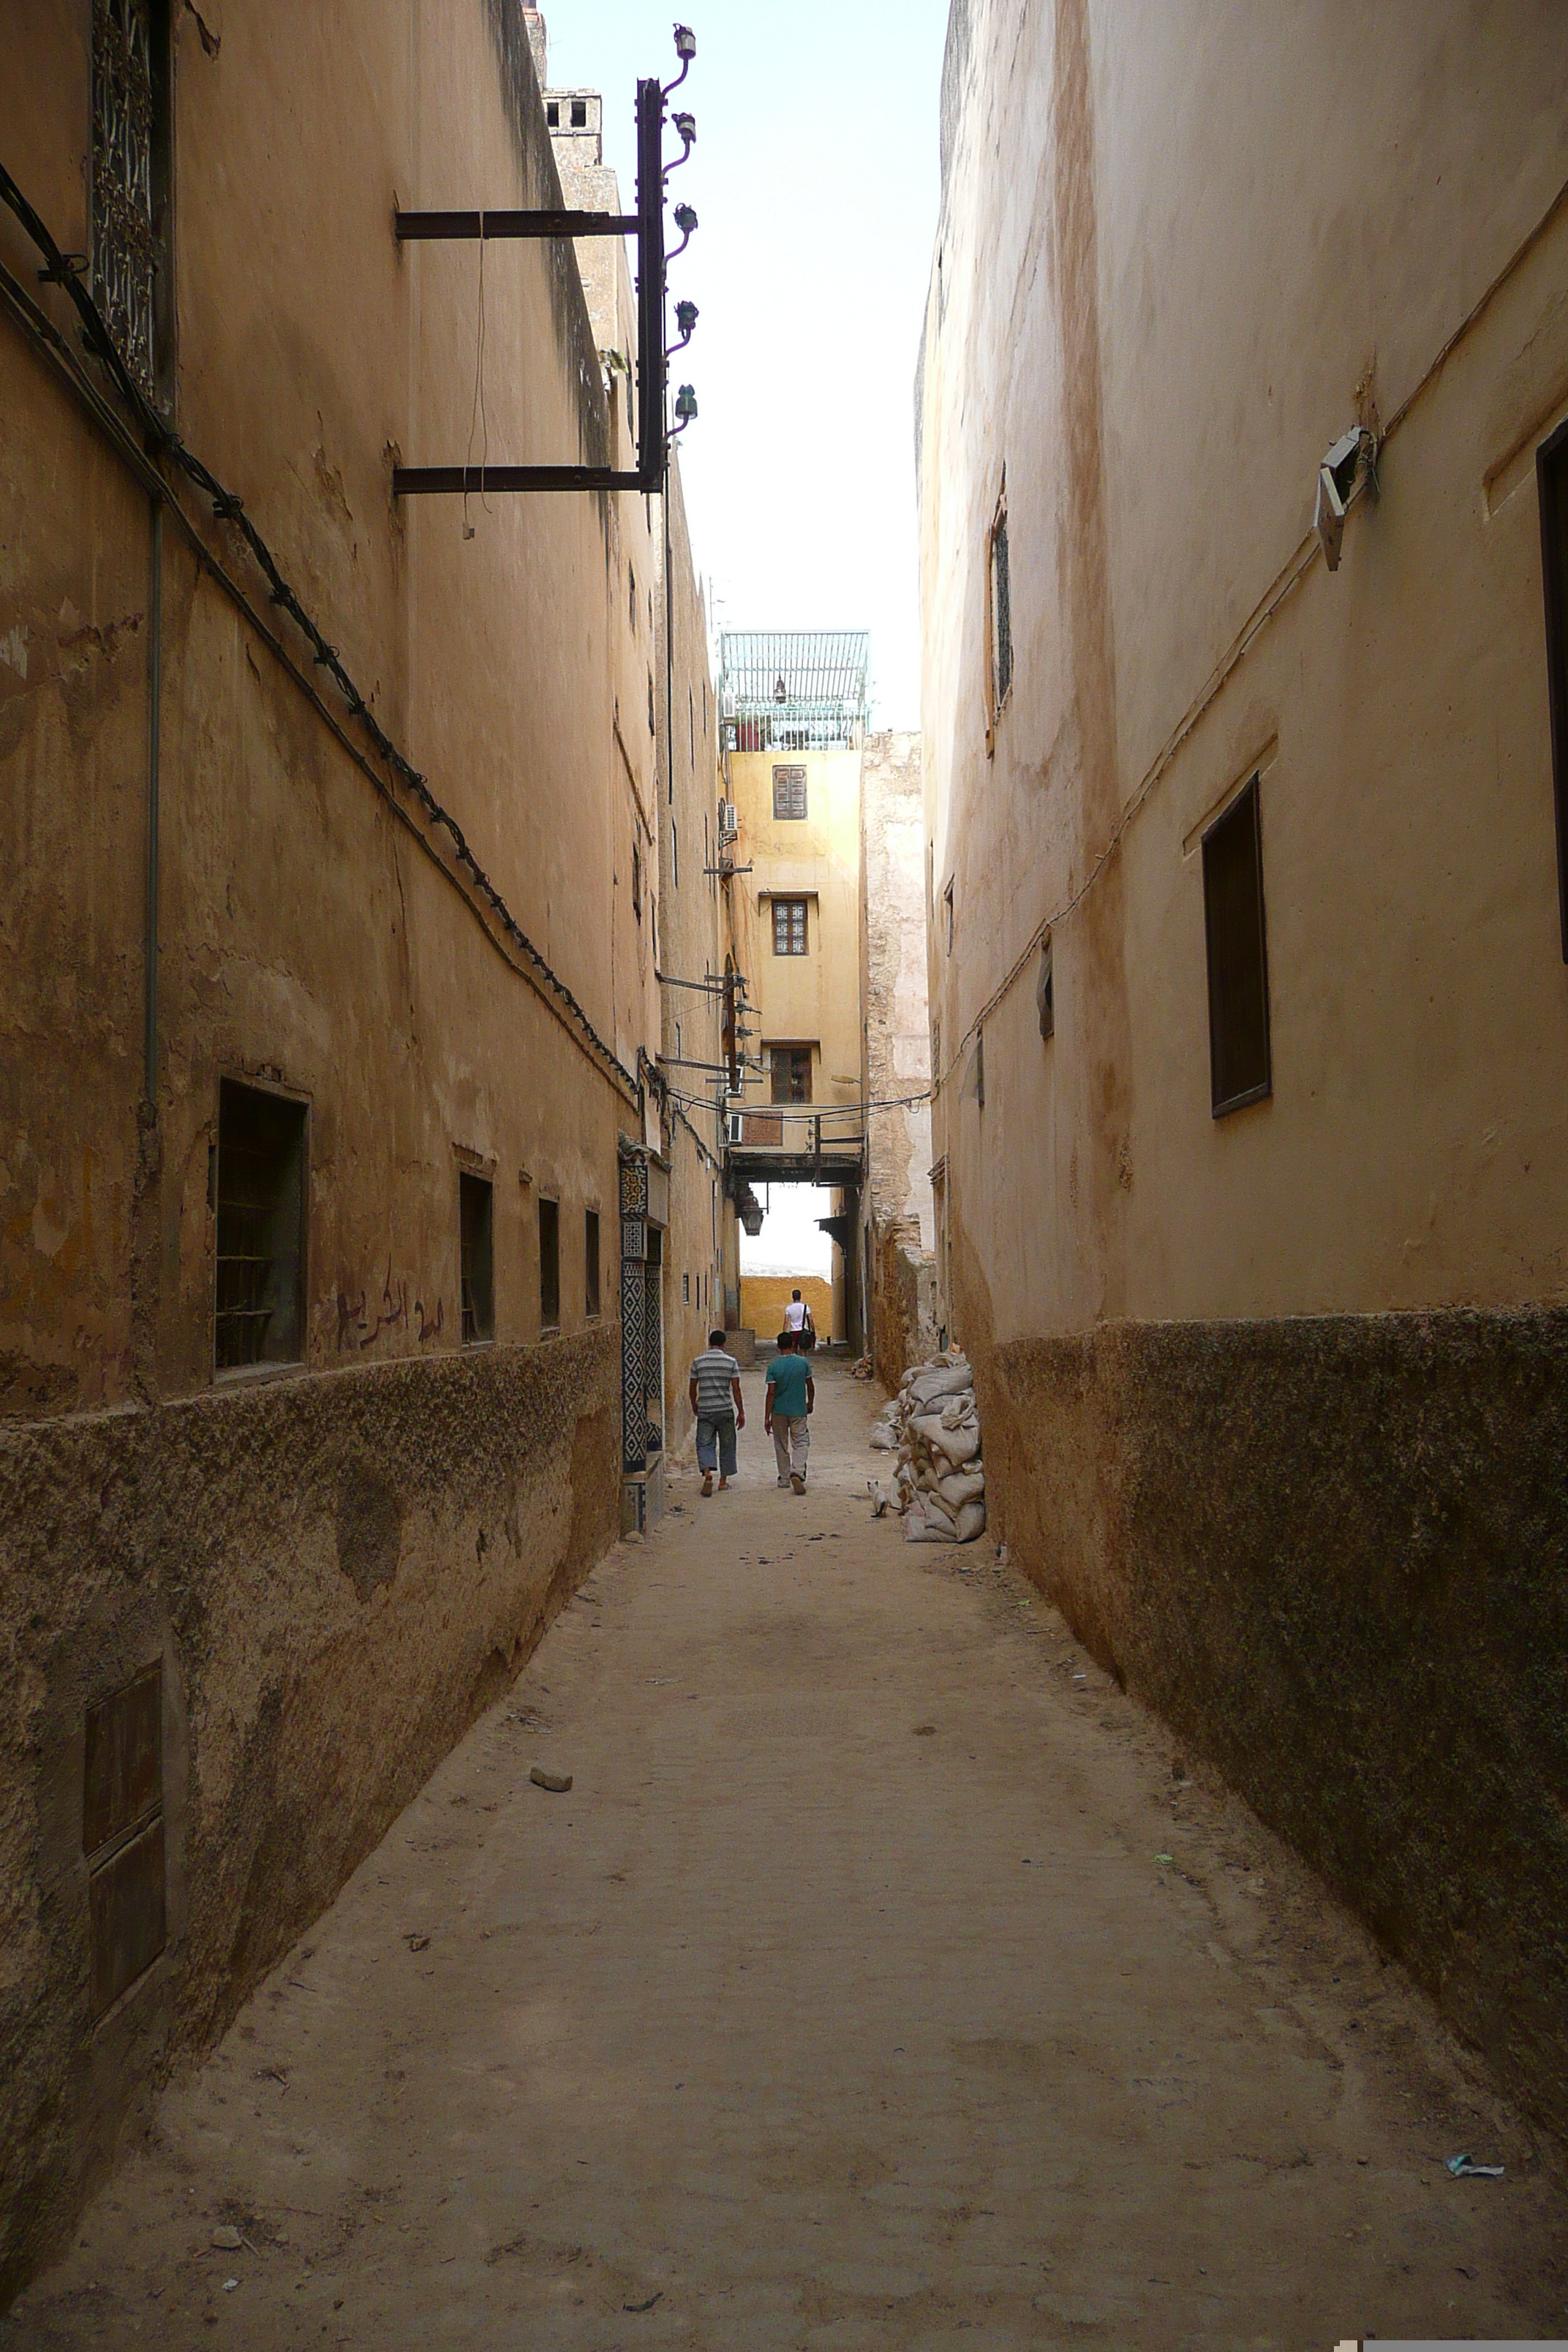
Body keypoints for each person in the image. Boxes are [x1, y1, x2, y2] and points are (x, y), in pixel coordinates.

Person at [687, 1327, 745, 1496]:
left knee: (704, 1443)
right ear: (724, 1344)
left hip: (705, 1408)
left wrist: (694, 1404)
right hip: (725, 1409)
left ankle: (707, 1474)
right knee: (727, 1445)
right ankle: (723, 1482)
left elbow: (692, 1387)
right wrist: (741, 1411)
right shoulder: (731, 1362)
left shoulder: (698, 1362)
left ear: (709, 1342)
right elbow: (736, 1389)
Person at [764, 1327, 815, 1493]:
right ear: (793, 1344)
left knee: (781, 1444)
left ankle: (784, 1478)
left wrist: (767, 1416)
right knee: (801, 1442)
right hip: (798, 1410)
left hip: (779, 1411)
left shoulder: (774, 1366)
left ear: (778, 1347)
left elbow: (771, 1392)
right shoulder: (803, 1363)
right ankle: (798, 1470)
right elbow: (810, 1385)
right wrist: (810, 1403)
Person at [784, 1286, 816, 1352]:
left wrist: (784, 1333)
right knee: (803, 1350)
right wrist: (813, 1330)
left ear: (792, 1297)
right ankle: (803, 1361)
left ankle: (795, 1362)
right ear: (800, 1297)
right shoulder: (805, 1307)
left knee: (793, 1350)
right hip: (803, 1331)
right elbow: (810, 1320)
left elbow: (786, 1322)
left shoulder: (789, 1308)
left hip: (793, 1331)